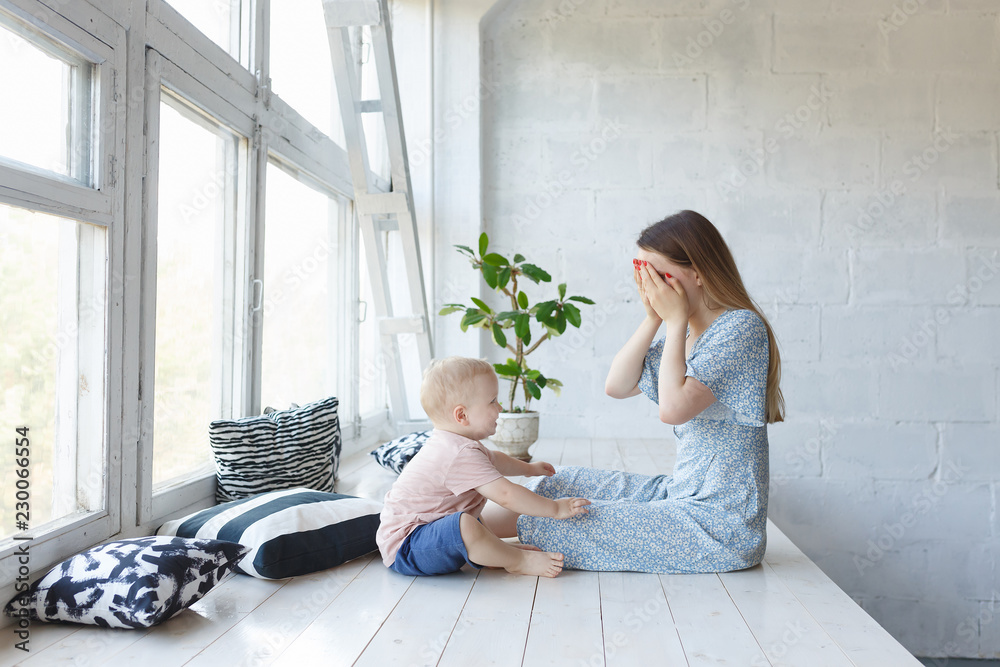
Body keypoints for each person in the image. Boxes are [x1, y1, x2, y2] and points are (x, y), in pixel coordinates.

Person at [516, 210, 785, 573]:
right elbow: (618, 385)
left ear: (698, 274)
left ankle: (449, 534)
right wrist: (653, 317)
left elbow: (673, 409)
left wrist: (674, 321)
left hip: (719, 528)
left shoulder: (740, 328)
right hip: (680, 495)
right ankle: (446, 521)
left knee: (570, 519)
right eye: (642, 275)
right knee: (558, 483)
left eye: (658, 276)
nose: (650, 285)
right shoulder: (686, 338)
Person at [376, 356, 591, 578]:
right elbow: (506, 494)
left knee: (471, 518)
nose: (500, 407)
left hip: (430, 534)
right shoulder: (457, 453)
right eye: (492, 401)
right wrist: (555, 509)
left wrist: (529, 469)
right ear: (462, 415)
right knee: (464, 525)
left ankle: (496, 553)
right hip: (408, 547)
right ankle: (517, 560)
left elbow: (496, 460)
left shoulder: (461, 444)